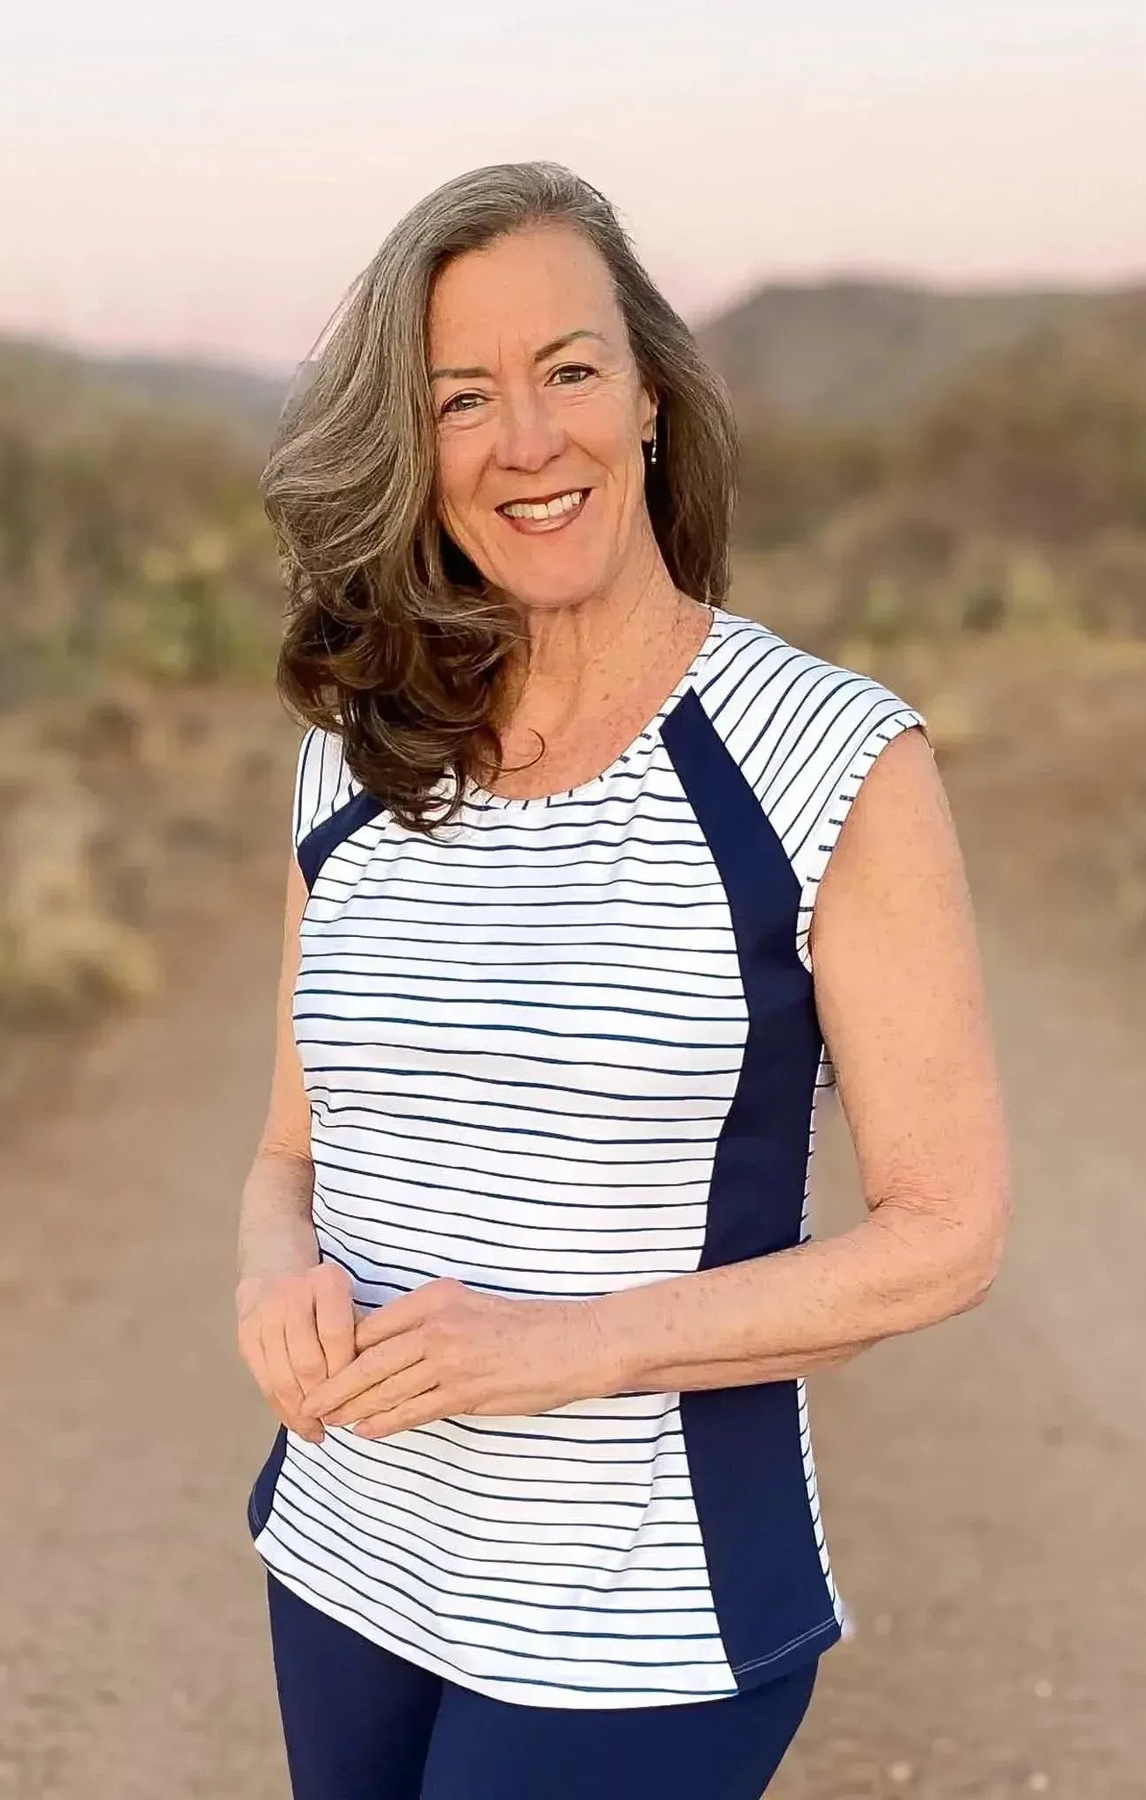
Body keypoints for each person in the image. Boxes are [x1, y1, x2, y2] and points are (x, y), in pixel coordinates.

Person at [235, 161, 1010, 1800]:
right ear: (410, 444)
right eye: (462, 398)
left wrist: (564, 1348)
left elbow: (944, 1238)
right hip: (349, 1552)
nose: (528, 439)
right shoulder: (352, 758)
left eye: (569, 371)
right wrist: (270, 1283)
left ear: (648, 397)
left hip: (636, 1621)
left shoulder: (827, 760)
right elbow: (288, 1155)